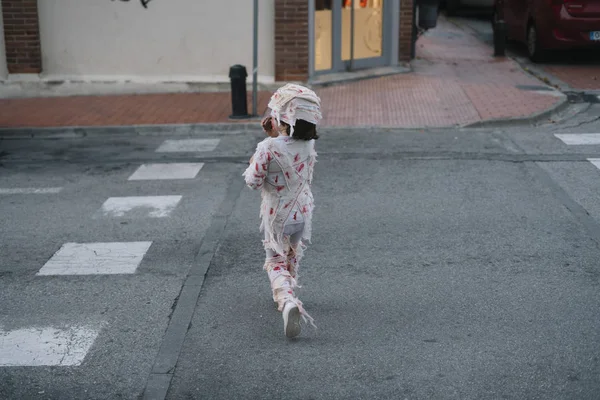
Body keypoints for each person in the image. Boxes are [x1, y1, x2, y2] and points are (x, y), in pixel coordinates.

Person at [243, 83, 322, 338]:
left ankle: (288, 301)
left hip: (277, 215)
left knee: (275, 260)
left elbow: (253, 181)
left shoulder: (268, 148)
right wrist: (274, 135)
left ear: (282, 117)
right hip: (302, 213)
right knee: (291, 254)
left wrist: (268, 140)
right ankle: (285, 295)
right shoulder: (308, 146)